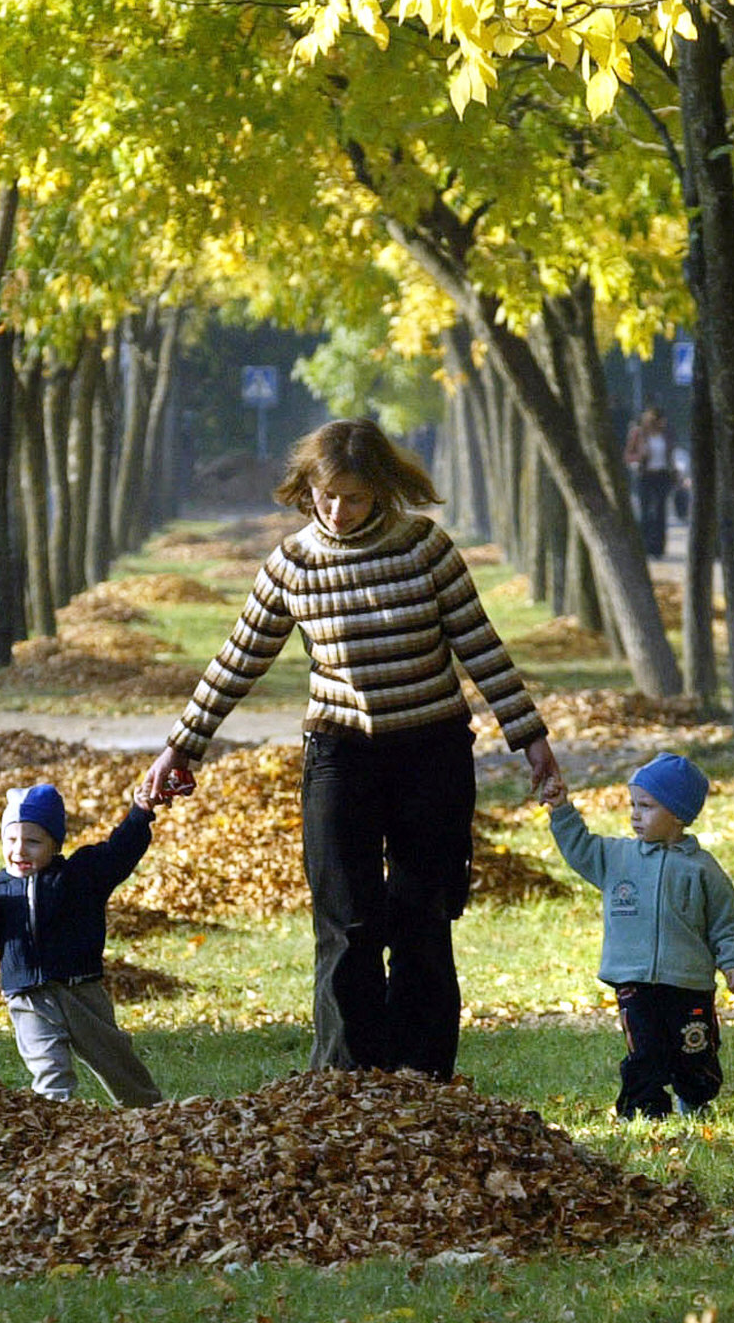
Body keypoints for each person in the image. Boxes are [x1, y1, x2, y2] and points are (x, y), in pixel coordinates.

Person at [140, 417, 561, 1080]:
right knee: (347, 920)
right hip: (340, 754)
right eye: (325, 496)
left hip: (431, 752)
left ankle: (424, 1072)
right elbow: (237, 661)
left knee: (422, 914)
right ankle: (347, 1076)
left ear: (383, 494)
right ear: (306, 488)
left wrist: (530, 739)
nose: (337, 511)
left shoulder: (424, 548)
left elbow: (480, 645)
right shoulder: (293, 565)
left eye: (355, 498)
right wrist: (180, 749)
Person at [540, 751, 734, 1119]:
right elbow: (580, 847)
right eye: (633, 805)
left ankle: (696, 1097)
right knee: (644, 1052)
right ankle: (643, 1110)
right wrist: (561, 809)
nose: (635, 814)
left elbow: (726, 921)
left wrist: (733, 962)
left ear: (679, 815)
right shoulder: (617, 857)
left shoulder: (702, 869)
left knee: (693, 1048)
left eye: (647, 806)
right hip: (633, 979)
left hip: (688, 983)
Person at [0, 781, 169, 1106]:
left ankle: (149, 1110)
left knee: (115, 1059)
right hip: (28, 998)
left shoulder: (79, 876)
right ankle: (55, 1121)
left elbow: (119, 852)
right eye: (11, 840)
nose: (19, 850)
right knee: (48, 1067)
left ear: (54, 844)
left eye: (33, 841)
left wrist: (140, 813)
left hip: (81, 991)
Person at [623, 405, 676, 557]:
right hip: (645, 476)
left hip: (662, 475)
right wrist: (640, 456)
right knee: (646, 513)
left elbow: (672, 454)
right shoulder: (638, 434)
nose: (661, 423)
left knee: (660, 512)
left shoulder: (666, 435)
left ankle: (658, 548)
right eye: (658, 420)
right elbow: (627, 456)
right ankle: (645, 546)